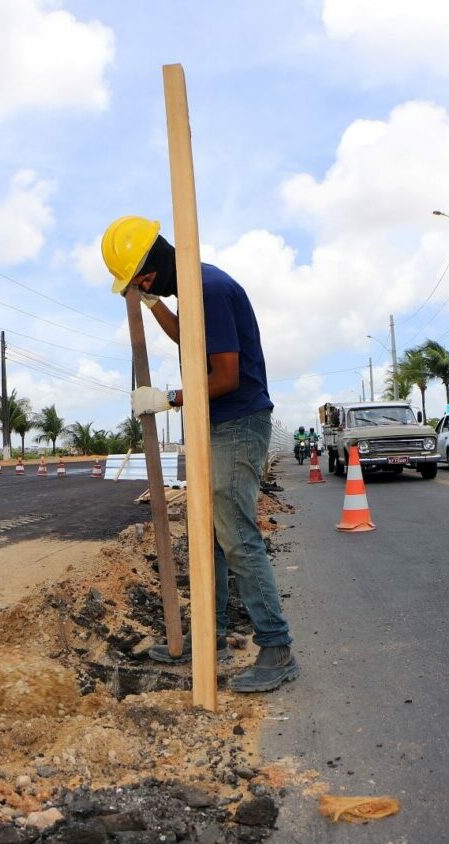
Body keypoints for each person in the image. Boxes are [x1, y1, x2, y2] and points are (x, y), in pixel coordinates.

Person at [101, 216, 299, 692]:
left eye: (143, 282)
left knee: (236, 535)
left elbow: (226, 376)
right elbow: (188, 341)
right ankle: (208, 635)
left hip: (239, 422)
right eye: (139, 287)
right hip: (215, 423)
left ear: (154, 265)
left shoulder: (209, 288)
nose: (145, 288)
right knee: (207, 535)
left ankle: (276, 646)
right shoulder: (192, 289)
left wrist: (167, 398)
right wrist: (151, 306)